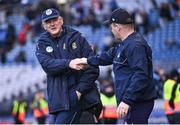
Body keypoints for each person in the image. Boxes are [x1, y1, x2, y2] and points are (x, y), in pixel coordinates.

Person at [71, 8, 157, 124]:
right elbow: (106, 56)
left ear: (117, 26)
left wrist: (127, 100)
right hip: (134, 102)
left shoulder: (135, 45)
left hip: (137, 102)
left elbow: (141, 75)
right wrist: (86, 60)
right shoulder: (125, 44)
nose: (111, 30)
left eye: (111, 26)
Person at [35, 8, 102, 124]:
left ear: (61, 20)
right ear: (44, 26)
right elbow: (48, 65)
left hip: (80, 99)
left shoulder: (77, 37)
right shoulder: (42, 42)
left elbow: (93, 67)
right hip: (58, 102)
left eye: (54, 20)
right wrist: (69, 63)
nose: (52, 24)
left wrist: (79, 92)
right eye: (48, 22)